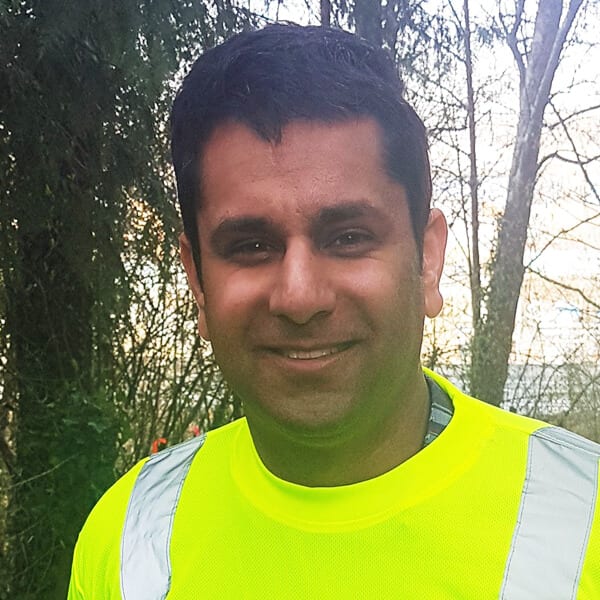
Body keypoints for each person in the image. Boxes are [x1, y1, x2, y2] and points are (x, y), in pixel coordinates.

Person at [68, 24, 600, 599]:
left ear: (427, 260)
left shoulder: (582, 518)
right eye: (250, 246)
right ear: (197, 278)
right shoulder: (127, 539)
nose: (299, 298)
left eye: (347, 237)